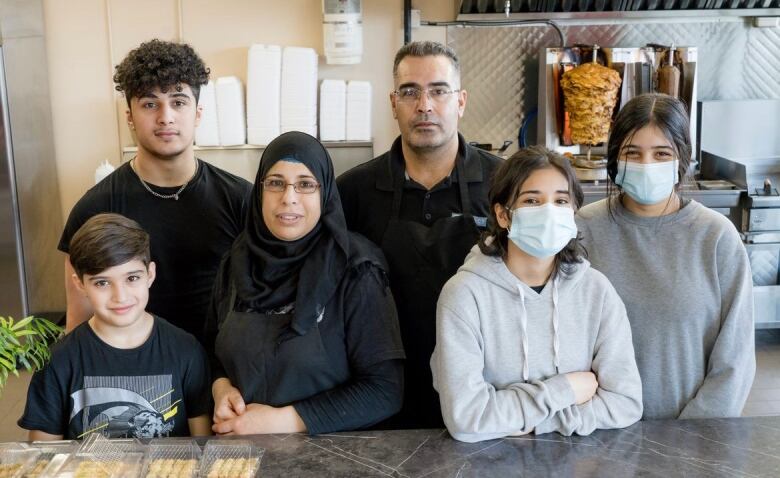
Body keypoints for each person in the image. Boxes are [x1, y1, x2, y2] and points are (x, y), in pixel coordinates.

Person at [337, 41, 501, 428]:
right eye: (410, 92)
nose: (424, 105)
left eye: (438, 91)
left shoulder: (504, 183)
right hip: (379, 395)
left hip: (483, 393)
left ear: (460, 101)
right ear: (394, 104)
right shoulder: (351, 192)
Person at [431, 147, 642, 443]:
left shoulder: (597, 291)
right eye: (532, 200)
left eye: (560, 201)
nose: (549, 212)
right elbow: (466, 419)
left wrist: (534, 423)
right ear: (504, 215)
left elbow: (625, 403)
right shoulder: (464, 296)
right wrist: (566, 389)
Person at [206, 132, 405, 435]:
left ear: (324, 194)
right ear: (259, 190)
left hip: (334, 458)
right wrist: (221, 389)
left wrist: (283, 421)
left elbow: (385, 391)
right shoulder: (235, 263)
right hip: (243, 452)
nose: (289, 197)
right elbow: (211, 352)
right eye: (275, 183)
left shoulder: (357, 270)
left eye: (305, 184)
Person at [576, 93, 755, 419]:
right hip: (595, 434)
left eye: (661, 154)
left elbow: (735, 360)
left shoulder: (715, 237)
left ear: (681, 159)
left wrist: (691, 440)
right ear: (616, 159)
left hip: (690, 437)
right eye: (633, 153)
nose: (647, 165)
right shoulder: (583, 230)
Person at [59, 39, 252, 342]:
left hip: (222, 371)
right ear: (130, 117)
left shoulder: (241, 199)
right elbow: (79, 321)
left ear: (197, 113)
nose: (166, 117)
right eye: (150, 104)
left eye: (178, 102)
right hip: (136, 373)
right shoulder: (94, 208)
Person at [19, 214, 211, 440]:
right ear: (80, 284)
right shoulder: (58, 360)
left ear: (150, 274)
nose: (120, 297)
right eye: (102, 283)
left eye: (132, 278)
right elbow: (44, 457)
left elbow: (203, 447)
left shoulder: (186, 350)